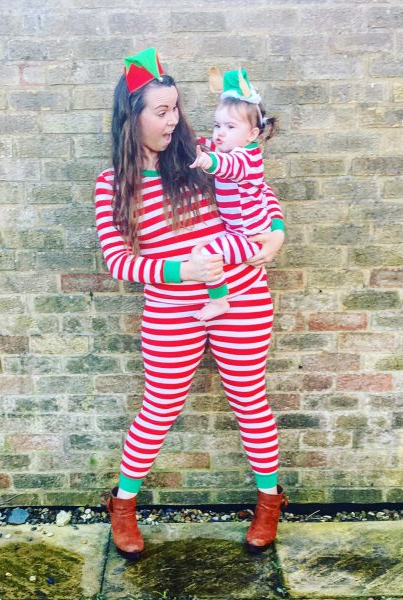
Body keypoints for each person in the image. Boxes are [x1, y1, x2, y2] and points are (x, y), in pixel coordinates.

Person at [95, 48, 288, 561]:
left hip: (242, 294)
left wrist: (276, 231)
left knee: (249, 397)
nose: (173, 119)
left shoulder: (201, 154)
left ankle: (269, 503)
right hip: (171, 308)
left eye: (176, 107)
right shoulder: (113, 183)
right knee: (160, 405)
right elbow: (118, 261)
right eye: (161, 111)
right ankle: (122, 506)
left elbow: (255, 184)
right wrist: (183, 271)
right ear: (131, 116)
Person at [188, 67, 284, 321]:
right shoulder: (236, 149)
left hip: (248, 236)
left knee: (207, 255)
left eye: (230, 127)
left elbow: (228, 166)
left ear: (252, 134)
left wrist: (207, 161)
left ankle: (219, 301)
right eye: (217, 125)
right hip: (240, 231)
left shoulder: (245, 159)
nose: (220, 133)